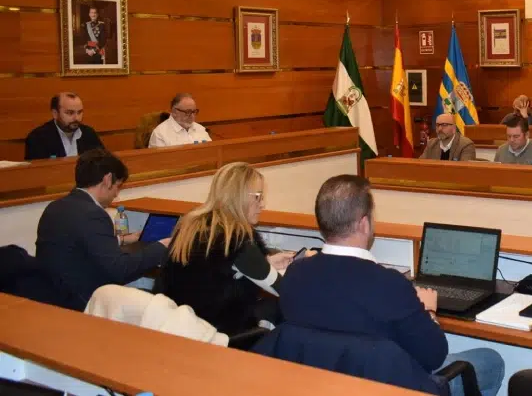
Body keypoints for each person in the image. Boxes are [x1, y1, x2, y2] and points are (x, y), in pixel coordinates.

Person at [278, 175, 505, 396]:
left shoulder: (296, 272)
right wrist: (429, 311)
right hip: (389, 386)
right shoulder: (388, 284)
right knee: (490, 360)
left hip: (323, 384)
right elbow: (433, 357)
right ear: (364, 224)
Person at [155, 162, 293, 334]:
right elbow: (282, 288)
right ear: (239, 197)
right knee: (280, 308)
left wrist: (265, 262)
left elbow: (214, 268)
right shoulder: (234, 238)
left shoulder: (192, 225)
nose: (263, 204)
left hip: (178, 325)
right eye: (258, 196)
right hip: (218, 332)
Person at [35, 149, 169, 310]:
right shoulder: (93, 214)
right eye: (117, 187)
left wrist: (122, 239)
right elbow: (121, 270)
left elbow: (80, 244)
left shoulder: (56, 206)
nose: (116, 195)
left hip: (52, 297)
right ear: (107, 180)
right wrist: (162, 246)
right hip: (82, 302)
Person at [24, 93, 104, 160]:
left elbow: (103, 163)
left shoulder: (88, 133)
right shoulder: (38, 138)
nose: (76, 118)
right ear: (55, 113)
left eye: (79, 112)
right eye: (70, 113)